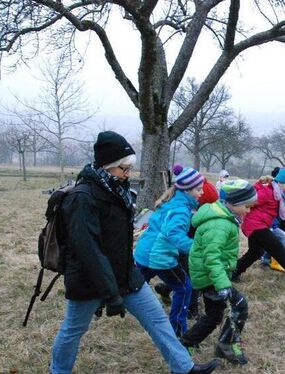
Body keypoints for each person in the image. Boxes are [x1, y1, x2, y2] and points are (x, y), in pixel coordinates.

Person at [50, 131, 218, 374]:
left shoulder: (116, 190)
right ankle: (58, 370)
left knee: (158, 320)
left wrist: (124, 277)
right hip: (89, 279)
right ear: (107, 166)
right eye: (124, 168)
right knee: (73, 329)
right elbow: (89, 252)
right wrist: (111, 295)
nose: (128, 174)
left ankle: (184, 368)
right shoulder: (82, 199)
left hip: (125, 275)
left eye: (129, 168)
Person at [179, 180, 257, 365]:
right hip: (210, 277)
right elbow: (211, 257)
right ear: (233, 203)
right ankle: (226, 345)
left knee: (214, 315)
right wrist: (222, 285)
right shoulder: (220, 224)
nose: (248, 211)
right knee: (240, 306)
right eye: (246, 206)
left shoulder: (223, 217)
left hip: (210, 275)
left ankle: (187, 341)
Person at [133, 165, 204, 337]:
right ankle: (179, 330)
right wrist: (194, 248)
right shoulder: (181, 210)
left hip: (143, 253)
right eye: (198, 189)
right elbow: (174, 234)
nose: (201, 193)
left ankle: (108, 300)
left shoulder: (171, 203)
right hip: (160, 257)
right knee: (185, 288)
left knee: (133, 284)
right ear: (187, 190)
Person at [230, 168, 285, 288]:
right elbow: (250, 200)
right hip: (255, 226)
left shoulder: (280, 196)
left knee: (255, 252)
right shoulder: (268, 192)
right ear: (279, 183)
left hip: (259, 225)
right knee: (278, 248)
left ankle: (234, 272)